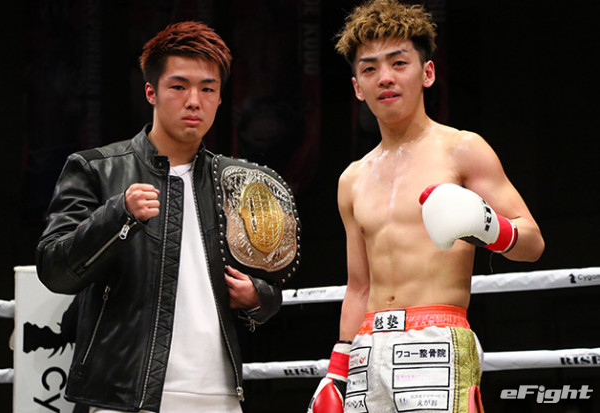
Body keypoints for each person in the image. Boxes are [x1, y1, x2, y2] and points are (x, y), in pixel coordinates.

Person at [36, 21, 301, 413]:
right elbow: (54, 270)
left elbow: (271, 284)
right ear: (151, 92)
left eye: (207, 89)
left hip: (220, 395)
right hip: (124, 396)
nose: (194, 101)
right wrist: (118, 215)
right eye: (178, 87)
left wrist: (257, 297)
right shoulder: (97, 169)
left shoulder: (238, 184)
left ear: (220, 98)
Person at [308, 1, 544, 412]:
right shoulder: (352, 179)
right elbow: (359, 286)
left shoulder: (462, 149)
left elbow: (533, 242)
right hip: (366, 347)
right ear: (358, 87)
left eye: (399, 63)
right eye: (369, 69)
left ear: (427, 73)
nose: (385, 77)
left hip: (436, 340)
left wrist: (490, 227)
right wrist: (337, 371)